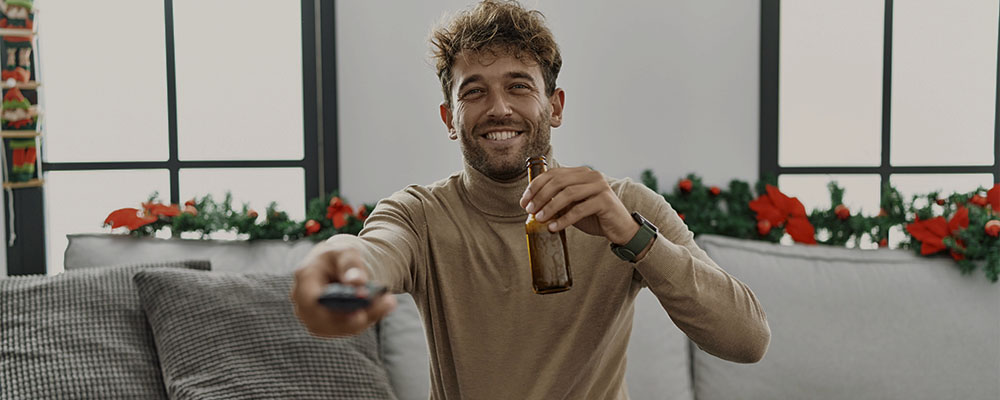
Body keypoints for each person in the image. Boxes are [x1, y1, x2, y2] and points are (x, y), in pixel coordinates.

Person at [292, 1, 770, 398]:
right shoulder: (419, 214)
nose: (499, 107)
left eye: (519, 86)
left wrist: (631, 234)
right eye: (474, 92)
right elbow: (373, 250)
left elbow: (748, 340)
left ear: (555, 106)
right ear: (449, 118)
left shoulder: (625, 205)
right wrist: (337, 259)